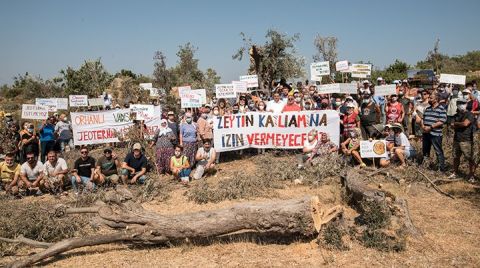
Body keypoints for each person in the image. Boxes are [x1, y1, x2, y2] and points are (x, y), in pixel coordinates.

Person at [417, 93, 447, 171]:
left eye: (431, 98)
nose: (429, 99)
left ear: (436, 100)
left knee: (438, 151)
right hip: (426, 133)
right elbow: (423, 118)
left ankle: (441, 168)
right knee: (425, 151)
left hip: (435, 134)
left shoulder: (441, 109)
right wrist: (423, 126)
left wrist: (431, 127)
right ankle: (426, 165)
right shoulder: (427, 108)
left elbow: (442, 121)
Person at [449, 98, 475, 182]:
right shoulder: (455, 115)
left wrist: (456, 124)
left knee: (470, 158)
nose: (461, 105)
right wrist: (459, 124)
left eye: (463, 103)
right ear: (457, 104)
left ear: (466, 104)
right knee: (456, 157)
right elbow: (451, 125)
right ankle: (455, 173)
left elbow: (465, 123)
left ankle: (471, 175)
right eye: (460, 103)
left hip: (466, 140)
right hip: (456, 139)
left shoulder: (470, 114)